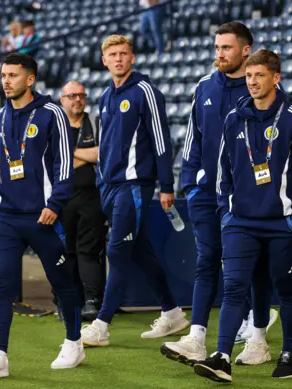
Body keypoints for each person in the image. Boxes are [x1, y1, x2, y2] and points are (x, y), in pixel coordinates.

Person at [193, 49, 292, 383]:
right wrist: (226, 213)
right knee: (234, 287)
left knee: (286, 290)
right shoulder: (235, 118)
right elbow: (223, 171)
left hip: (280, 223)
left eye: (259, 75)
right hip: (240, 222)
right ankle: (221, 357)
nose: (252, 82)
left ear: (276, 78)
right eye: (249, 76)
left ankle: (290, 353)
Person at [161, 21, 277, 367]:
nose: (219, 54)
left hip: (245, 199)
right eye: (216, 48)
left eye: (226, 48)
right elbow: (193, 139)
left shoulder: (259, 88)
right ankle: (196, 337)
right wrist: (191, 184)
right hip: (206, 194)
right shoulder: (204, 86)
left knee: (251, 268)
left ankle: (257, 335)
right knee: (207, 262)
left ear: (245, 50)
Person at [0, 53, 84, 377]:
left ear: (30, 79)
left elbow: (64, 164)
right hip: (6, 217)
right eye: (3, 75)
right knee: (1, 283)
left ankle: (74, 342)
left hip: (45, 216)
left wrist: (55, 204)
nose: (6, 81)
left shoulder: (52, 114)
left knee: (63, 282)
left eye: (13, 75)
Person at [80, 34, 188, 346]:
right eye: (112, 54)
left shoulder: (145, 92)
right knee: (139, 251)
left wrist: (166, 186)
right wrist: (101, 181)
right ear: (104, 60)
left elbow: (161, 141)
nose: (117, 59)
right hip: (109, 188)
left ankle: (101, 324)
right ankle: (172, 313)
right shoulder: (104, 97)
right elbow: (106, 146)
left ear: (133, 57)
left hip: (134, 186)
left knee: (117, 250)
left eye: (123, 53)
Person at [55, 81, 107, 322]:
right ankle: (67, 300)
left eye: (82, 95)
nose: (77, 99)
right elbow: (55, 162)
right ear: (62, 100)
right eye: (72, 96)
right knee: (65, 251)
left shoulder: (96, 123)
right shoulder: (54, 126)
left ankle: (92, 301)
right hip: (61, 199)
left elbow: (100, 155)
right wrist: (84, 156)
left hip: (91, 198)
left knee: (89, 250)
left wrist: (70, 152)